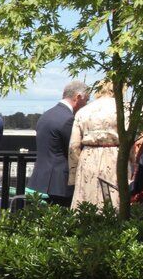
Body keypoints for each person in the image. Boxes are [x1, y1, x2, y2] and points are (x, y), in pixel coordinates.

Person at [28, 81, 90, 205]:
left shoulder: (46, 115)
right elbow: (75, 149)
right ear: (78, 97)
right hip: (59, 184)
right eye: (86, 100)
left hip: (39, 180)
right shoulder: (68, 119)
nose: (86, 104)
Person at [69, 79, 122, 208]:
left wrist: (74, 174)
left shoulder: (83, 111)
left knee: (86, 202)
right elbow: (130, 142)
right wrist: (133, 162)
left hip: (88, 157)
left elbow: (73, 146)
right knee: (113, 202)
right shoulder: (124, 109)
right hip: (115, 158)